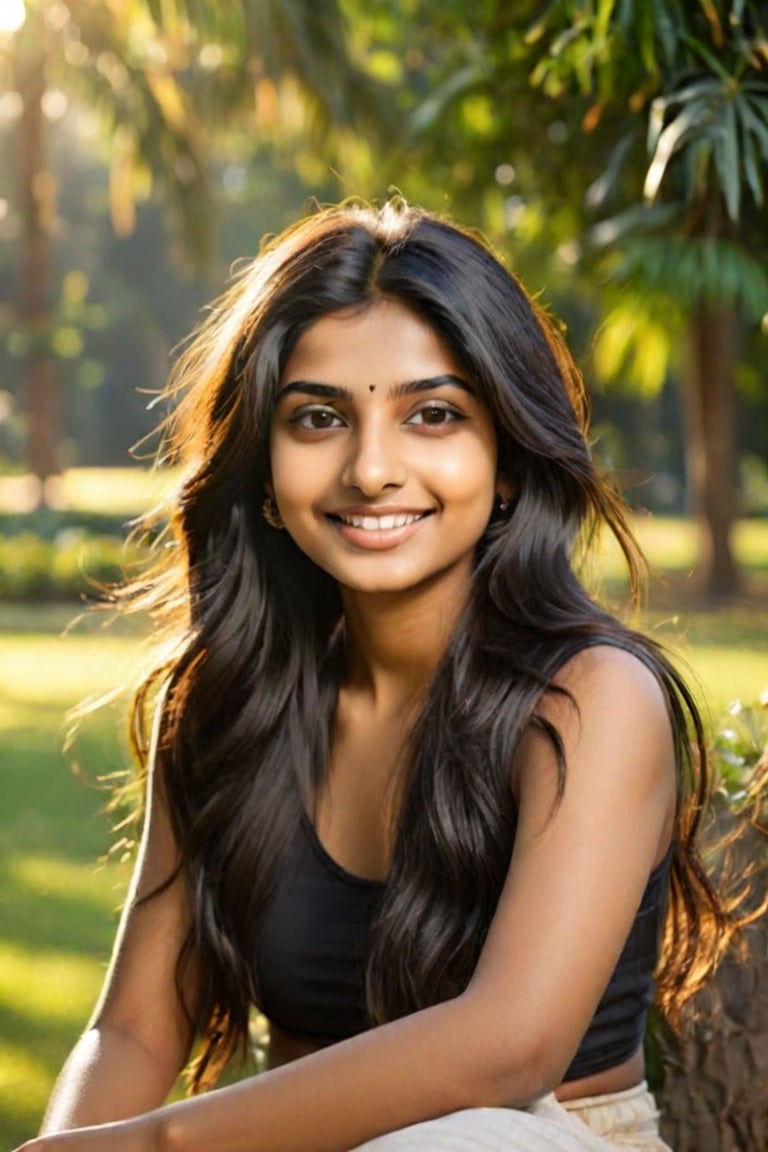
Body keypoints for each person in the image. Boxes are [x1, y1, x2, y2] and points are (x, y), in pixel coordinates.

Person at [17, 200, 733, 1152]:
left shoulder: (591, 698)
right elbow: (134, 1029)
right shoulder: (226, 705)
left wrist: (154, 1147)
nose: (372, 468)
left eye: (432, 415)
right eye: (318, 419)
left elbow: (506, 1049)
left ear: (507, 456)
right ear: (262, 463)